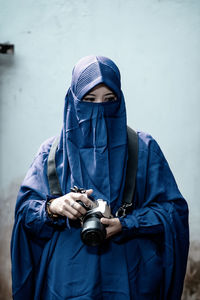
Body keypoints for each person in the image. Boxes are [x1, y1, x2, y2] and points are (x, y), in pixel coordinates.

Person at [11, 55, 189, 300]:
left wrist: (127, 223)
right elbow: (25, 213)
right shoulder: (52, 152)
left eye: (109, 100)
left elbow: (173, 211)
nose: (98, 109)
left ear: (120, 100)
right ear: (74, 101)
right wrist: (54, 207)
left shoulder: (143, 148)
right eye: (89, 99)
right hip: (65, 284)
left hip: (132, 280)